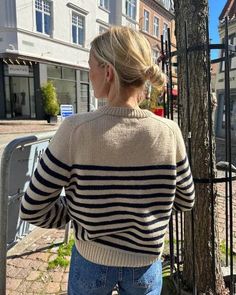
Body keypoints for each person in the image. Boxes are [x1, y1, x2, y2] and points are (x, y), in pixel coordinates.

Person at [20, 26, 195, 295]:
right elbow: (185, 201)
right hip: (146, 266)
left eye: (91, 66)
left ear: (108, 72)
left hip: (92, 262)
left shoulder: (75, 129)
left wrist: (79, 211)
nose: (89, 74)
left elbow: (32, 207)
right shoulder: (169, 132)